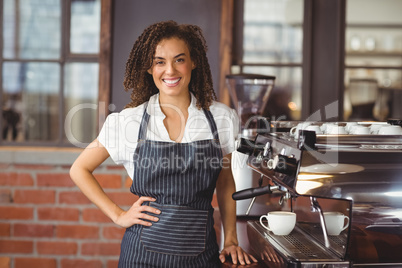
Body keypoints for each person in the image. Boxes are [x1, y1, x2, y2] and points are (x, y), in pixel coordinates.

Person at [70, 20, 257, 267]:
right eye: (160, 62)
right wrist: (118, 215)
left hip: (202, 256)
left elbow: (224, 182)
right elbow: (79, 169)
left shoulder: (221, 118)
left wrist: (230, 239)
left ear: (193, 62)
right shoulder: (129, 121)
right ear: (149, 68)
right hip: (141, 257)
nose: (170, 71)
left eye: (179, 60)